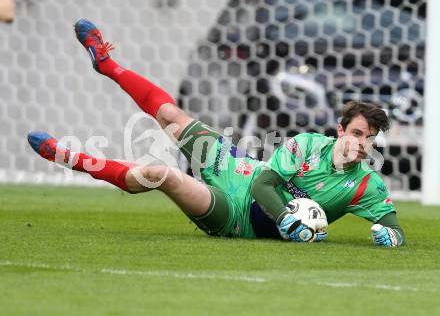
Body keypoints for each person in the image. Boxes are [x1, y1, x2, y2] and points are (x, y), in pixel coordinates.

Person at [28, 19, 404, 247]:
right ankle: (108, 64)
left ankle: (70, 157)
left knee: (162, 174)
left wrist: (390, 236)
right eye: (356, 133)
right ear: (340, 130)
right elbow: (263, 185)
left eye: (369, 139)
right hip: (237, 170)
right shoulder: (306, 144)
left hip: (236, 219)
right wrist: (287, 219)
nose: (361, 144)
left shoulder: (366, 186)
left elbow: (391, 226)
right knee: (171, 115)